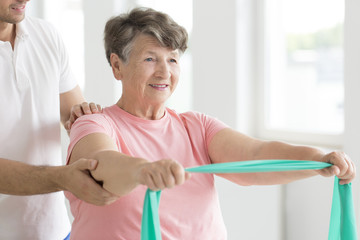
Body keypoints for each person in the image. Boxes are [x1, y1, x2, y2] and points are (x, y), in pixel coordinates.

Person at [65, 7, 355, 240]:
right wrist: (144, 171)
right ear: (117, 66)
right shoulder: (95, 123)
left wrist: (318, 159)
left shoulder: (197, 127)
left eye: (173, 60)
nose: (164, 71)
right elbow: (102, 166)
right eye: (150, 59)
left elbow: (255, 155)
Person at [0, 0, 118, 239]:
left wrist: (90, 127)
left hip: (56, 230)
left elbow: (73, 112)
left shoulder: (46, 35)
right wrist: (64, 178)